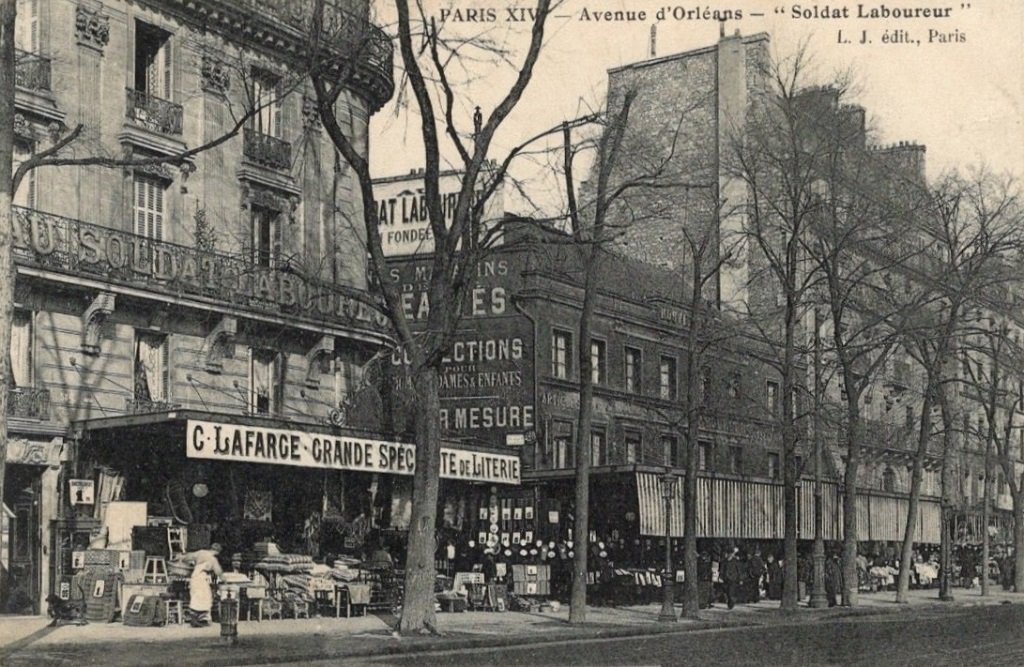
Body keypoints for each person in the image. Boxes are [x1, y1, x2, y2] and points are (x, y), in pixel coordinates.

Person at [186, 543, 223, 627]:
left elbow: (188, 557)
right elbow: (218, 571)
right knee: (205, 596)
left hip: (194, 576)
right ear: (217, 552)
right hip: (201, 577)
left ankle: (198, 619)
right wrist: (224, 579)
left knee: (196, 596)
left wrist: (191, 563)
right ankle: (197, 619)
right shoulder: (212, 559)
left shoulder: (201, 552)